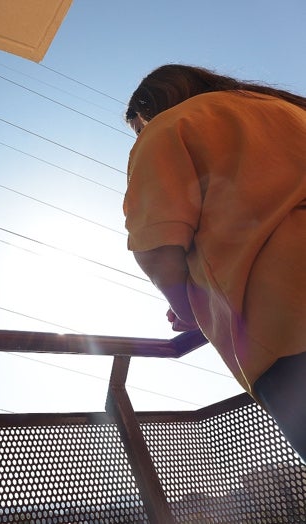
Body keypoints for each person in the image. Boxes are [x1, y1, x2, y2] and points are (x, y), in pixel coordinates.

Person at [122, 64, 306, 461]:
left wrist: (186, 310)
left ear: (150, 109)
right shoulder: (284, 109)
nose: (140, 136)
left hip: (289, 322)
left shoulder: (173, 126)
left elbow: (157, 247)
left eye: (139, 127)